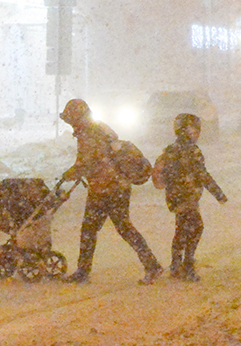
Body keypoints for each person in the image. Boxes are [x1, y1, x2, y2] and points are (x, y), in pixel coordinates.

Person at [59, 98, 163, 285]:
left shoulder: (91, 133)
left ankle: (151, 266)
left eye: (71, 119)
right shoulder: (97, 129)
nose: (70, 123)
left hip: (109, 188)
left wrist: (73, 172)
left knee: (106, 228)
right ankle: (151, 265)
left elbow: (92, 162)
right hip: (112, 186)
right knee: (109, 228)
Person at [152, 113, 228, 281]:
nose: (198, 133)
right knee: (195, 228)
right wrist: (218, 193)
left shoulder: (172, 149)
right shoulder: (189, 151)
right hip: (184, 196)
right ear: (185, 130)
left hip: (179, 196)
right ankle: (186, 265)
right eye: (195, 129)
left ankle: (178, 264)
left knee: (182, 229)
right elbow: (202, 174)